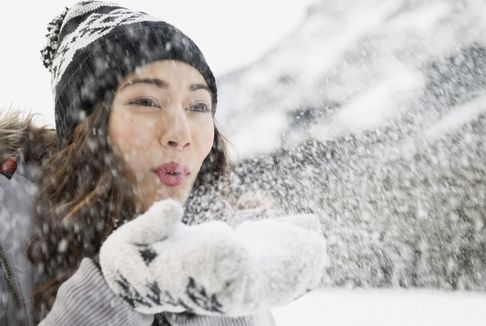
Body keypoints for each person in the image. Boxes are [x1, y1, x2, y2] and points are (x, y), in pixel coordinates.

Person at [0, 1, 327, 325]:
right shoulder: (8, 236)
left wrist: (220, 310)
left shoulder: (221, 245)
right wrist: (113, 293)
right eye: (146, 101)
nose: (180, 133)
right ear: (86, 128)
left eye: (199, 106)